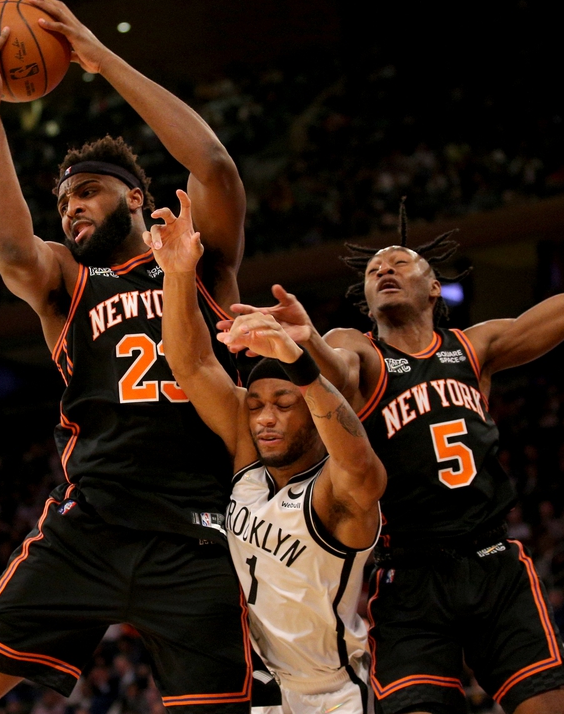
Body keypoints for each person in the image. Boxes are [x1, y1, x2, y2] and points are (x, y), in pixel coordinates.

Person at [221, 119, 564, 713]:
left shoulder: (477, 348)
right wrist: (302, 348)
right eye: (373, 270)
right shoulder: (359, 349)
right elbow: (334, 374)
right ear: (366, 301)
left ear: (434, 289)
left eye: (401, 262)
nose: (385, 269)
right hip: (410, 575)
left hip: (494, 563)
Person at [0, 0, 251, 713]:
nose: (72, 209)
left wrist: (98, 58)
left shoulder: (198, 259)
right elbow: (8, 247)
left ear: (136, 196)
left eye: (89, 193)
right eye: (65, 201)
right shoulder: (69, 281)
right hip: (87, 522)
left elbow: (215, 166)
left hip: (199, 530)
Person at [143, 189, 386, 712]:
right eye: (255, 406)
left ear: (313, 415)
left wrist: (302, 366)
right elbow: (192, 365)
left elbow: (363, 464)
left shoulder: (336, 493)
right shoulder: (250, 463)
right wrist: (179, 273)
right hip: (263, 689)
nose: (265, 418)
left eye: (283, 404)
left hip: (336, 694)